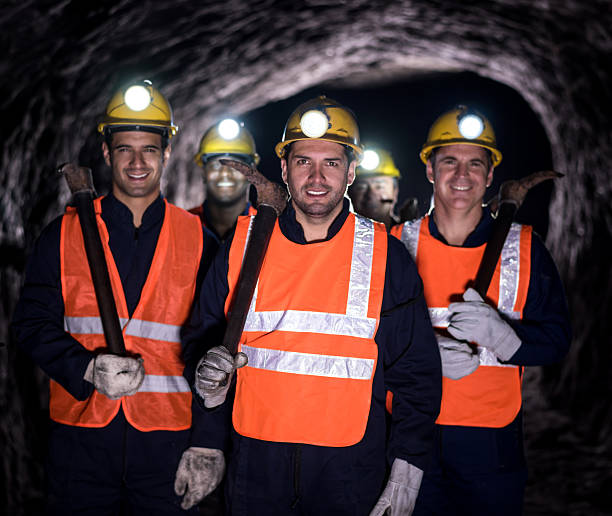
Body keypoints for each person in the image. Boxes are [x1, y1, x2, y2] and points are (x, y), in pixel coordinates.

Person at [181, 95, 442, 515]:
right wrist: (207, 426)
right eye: (303, 162)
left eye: (332, 163)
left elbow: (416, 373)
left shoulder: (384, 254)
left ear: (351, 170)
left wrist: (407, 466)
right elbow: (201, 338)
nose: (317, 177)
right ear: (284, 169)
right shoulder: (244, 245)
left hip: (350, 472)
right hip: (256, 466)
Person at [11, 80, 217, 514]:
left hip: (168, 442)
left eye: (149, 149)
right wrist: (85, 367)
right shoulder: (63, 234)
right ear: (107, 154)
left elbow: (216, 351)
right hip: (81, 439)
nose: (137, 161)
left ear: (167, 153)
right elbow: (30, 325)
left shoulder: (201, 241)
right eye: (125, 148)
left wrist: (208, 443)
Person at [390, 105, 572, 515]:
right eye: (449, 161)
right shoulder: (395, 244)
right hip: (410, 431)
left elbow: (557, 340)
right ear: (430, 170)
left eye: (475, 163)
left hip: (491, 442)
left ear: (490, 176)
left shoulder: (524, 249)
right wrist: (423, 353)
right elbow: (368, 338)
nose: (461, 175)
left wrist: (507, 338)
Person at [190, 119, 258, 242]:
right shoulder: (180, 227)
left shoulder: (267, 231)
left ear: (251, 172)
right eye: (216, 165)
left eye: (235, 165)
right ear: (203, 172)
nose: (225, 173)